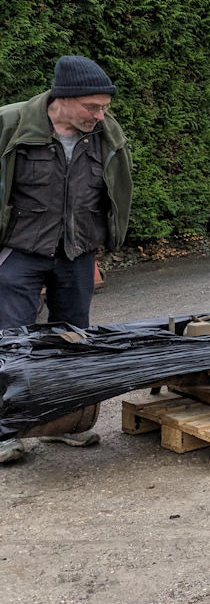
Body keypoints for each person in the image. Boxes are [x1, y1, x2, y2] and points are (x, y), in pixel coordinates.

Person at [0, 55, 133, 463]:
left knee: (73, 340)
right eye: (92, 107)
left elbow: (110, 192)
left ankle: (63, 422)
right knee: (11, 344)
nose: (101, 114)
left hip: (75, 253)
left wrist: (99, 244)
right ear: (63, 98)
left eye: (104, 106)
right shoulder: (10, 125)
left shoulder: (105, 133)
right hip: (19, 252)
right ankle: (7, 431)